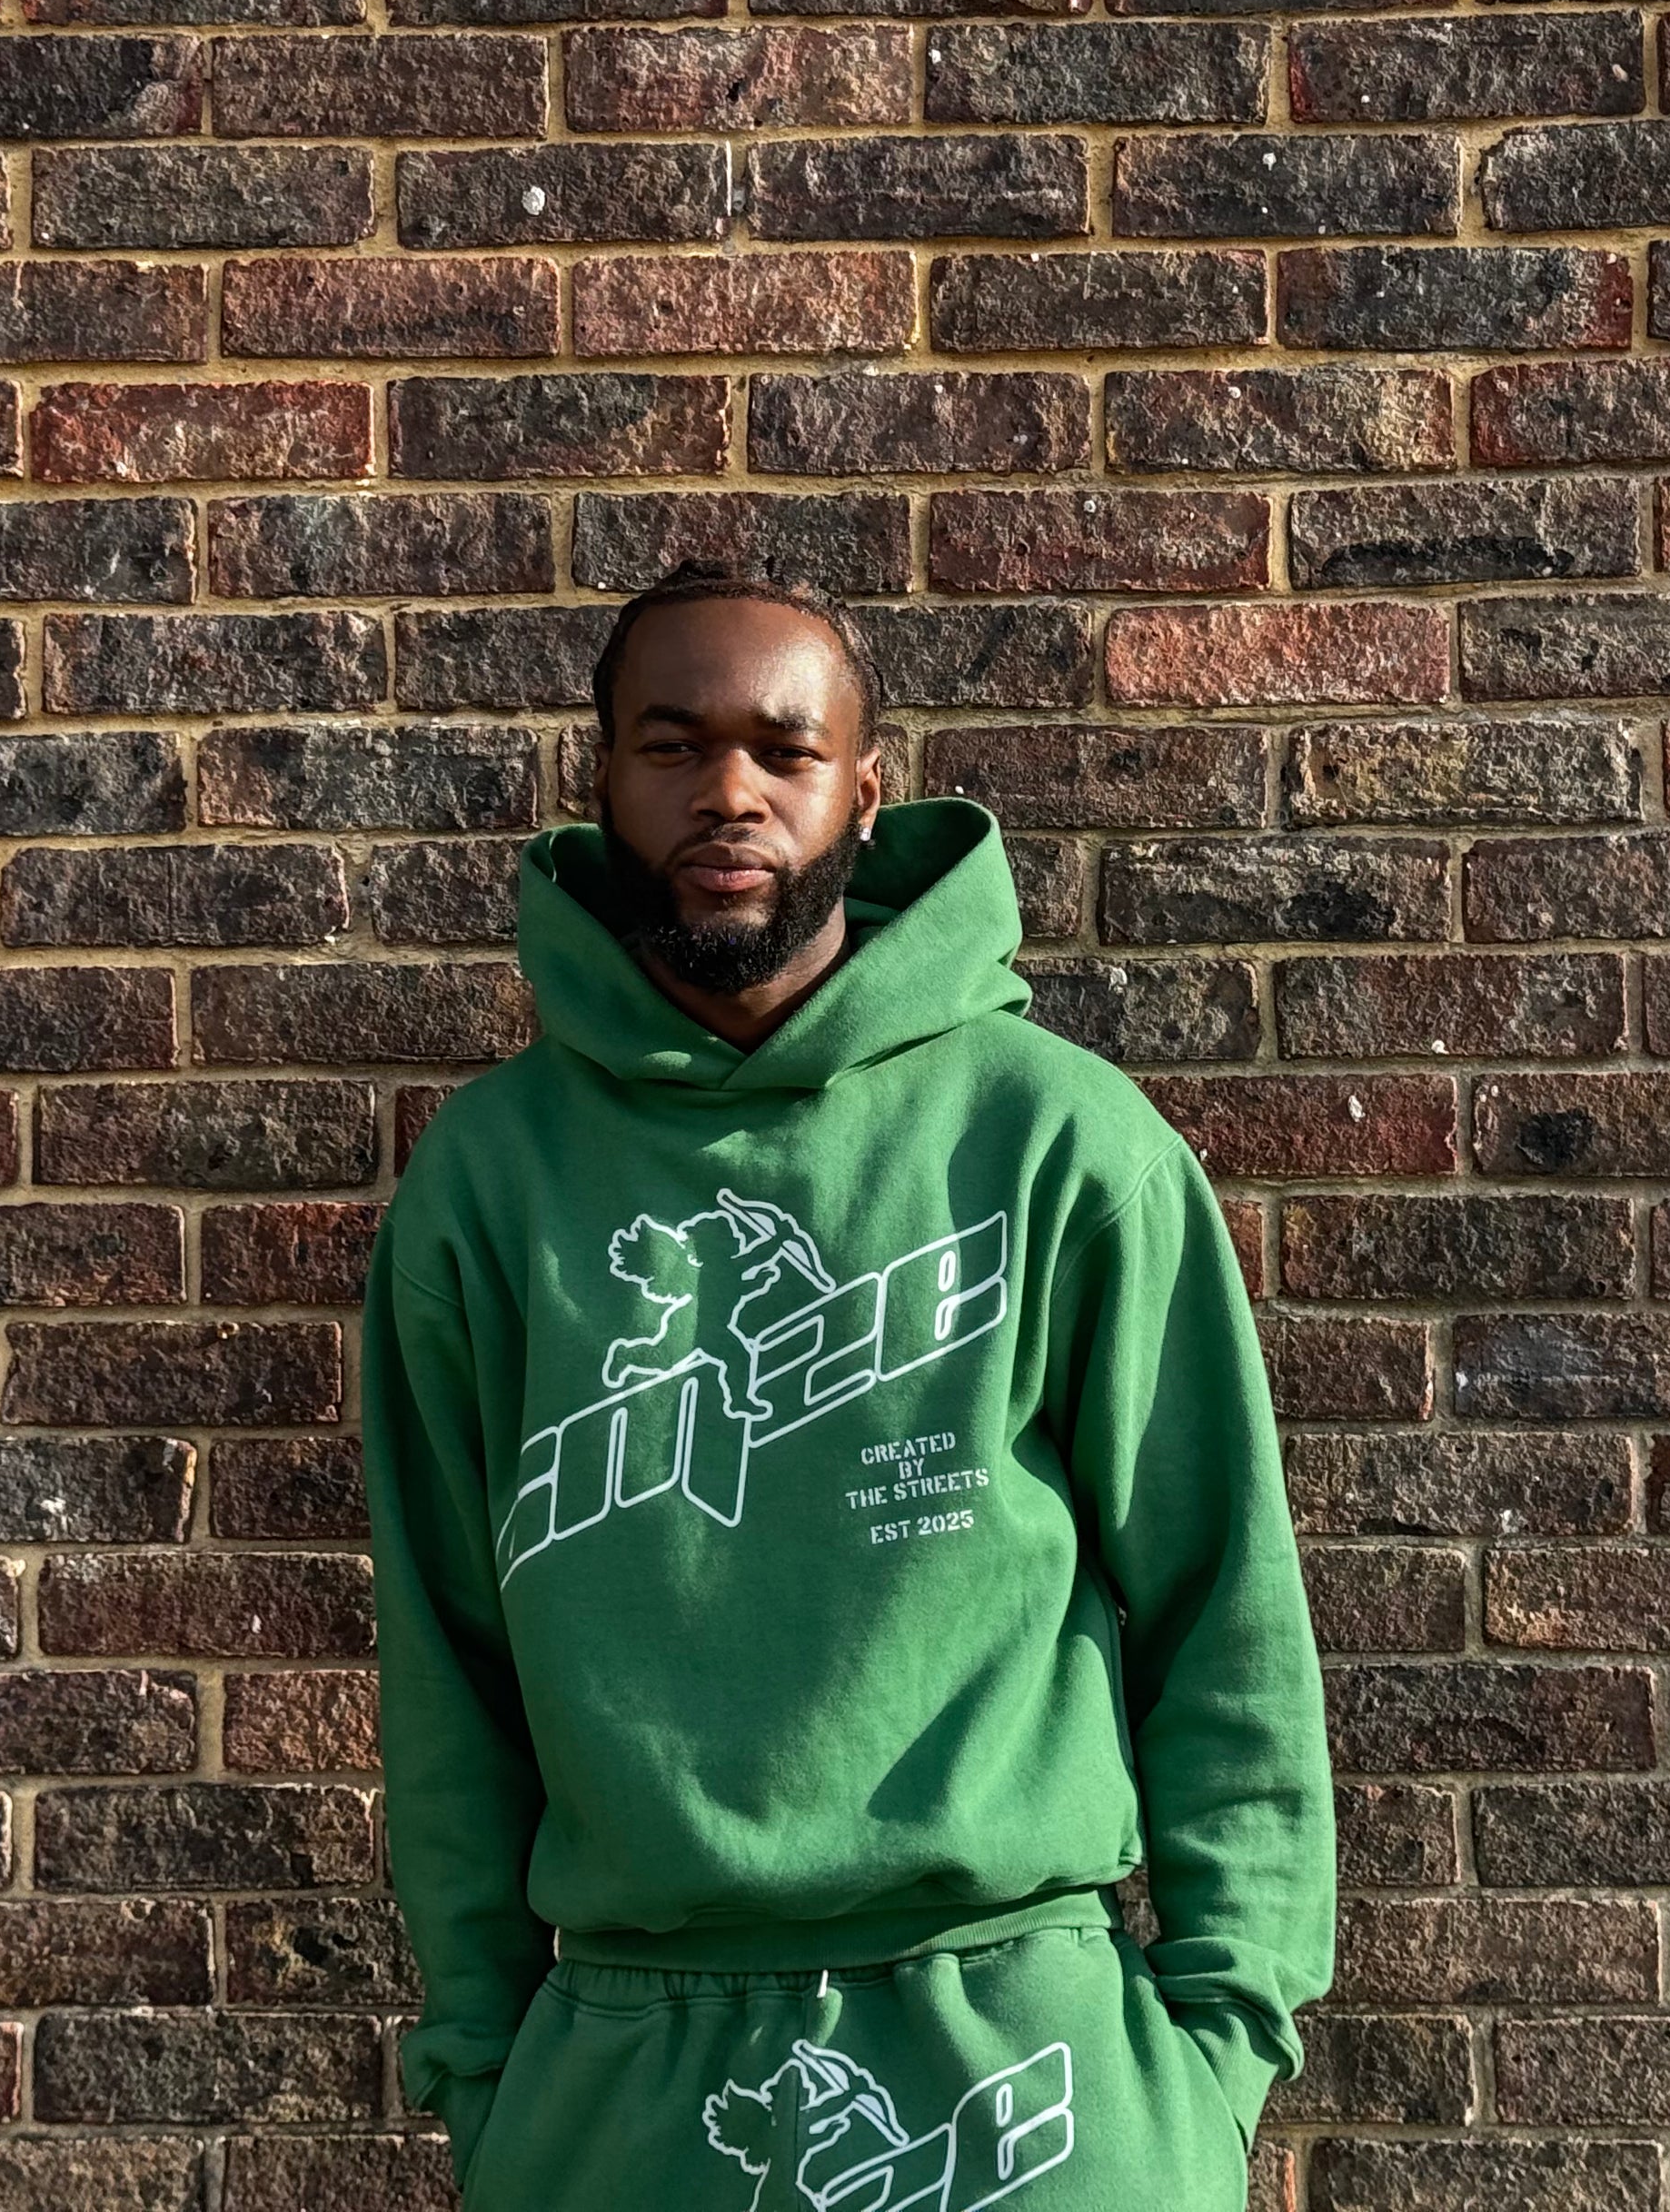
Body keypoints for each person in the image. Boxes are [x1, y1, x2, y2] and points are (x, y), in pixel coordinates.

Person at [362, 560, 1335, 2212]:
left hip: (1027, 2054)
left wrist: (1215, 2055)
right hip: (624, 2081)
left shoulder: (1062, 1144)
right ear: (599, 782)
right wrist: (488, 2071)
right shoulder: (488, 1185)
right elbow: (444, 1666)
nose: (727, 793)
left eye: (783, 752)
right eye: (671, 747)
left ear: (863, 795)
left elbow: (1221, 1611)